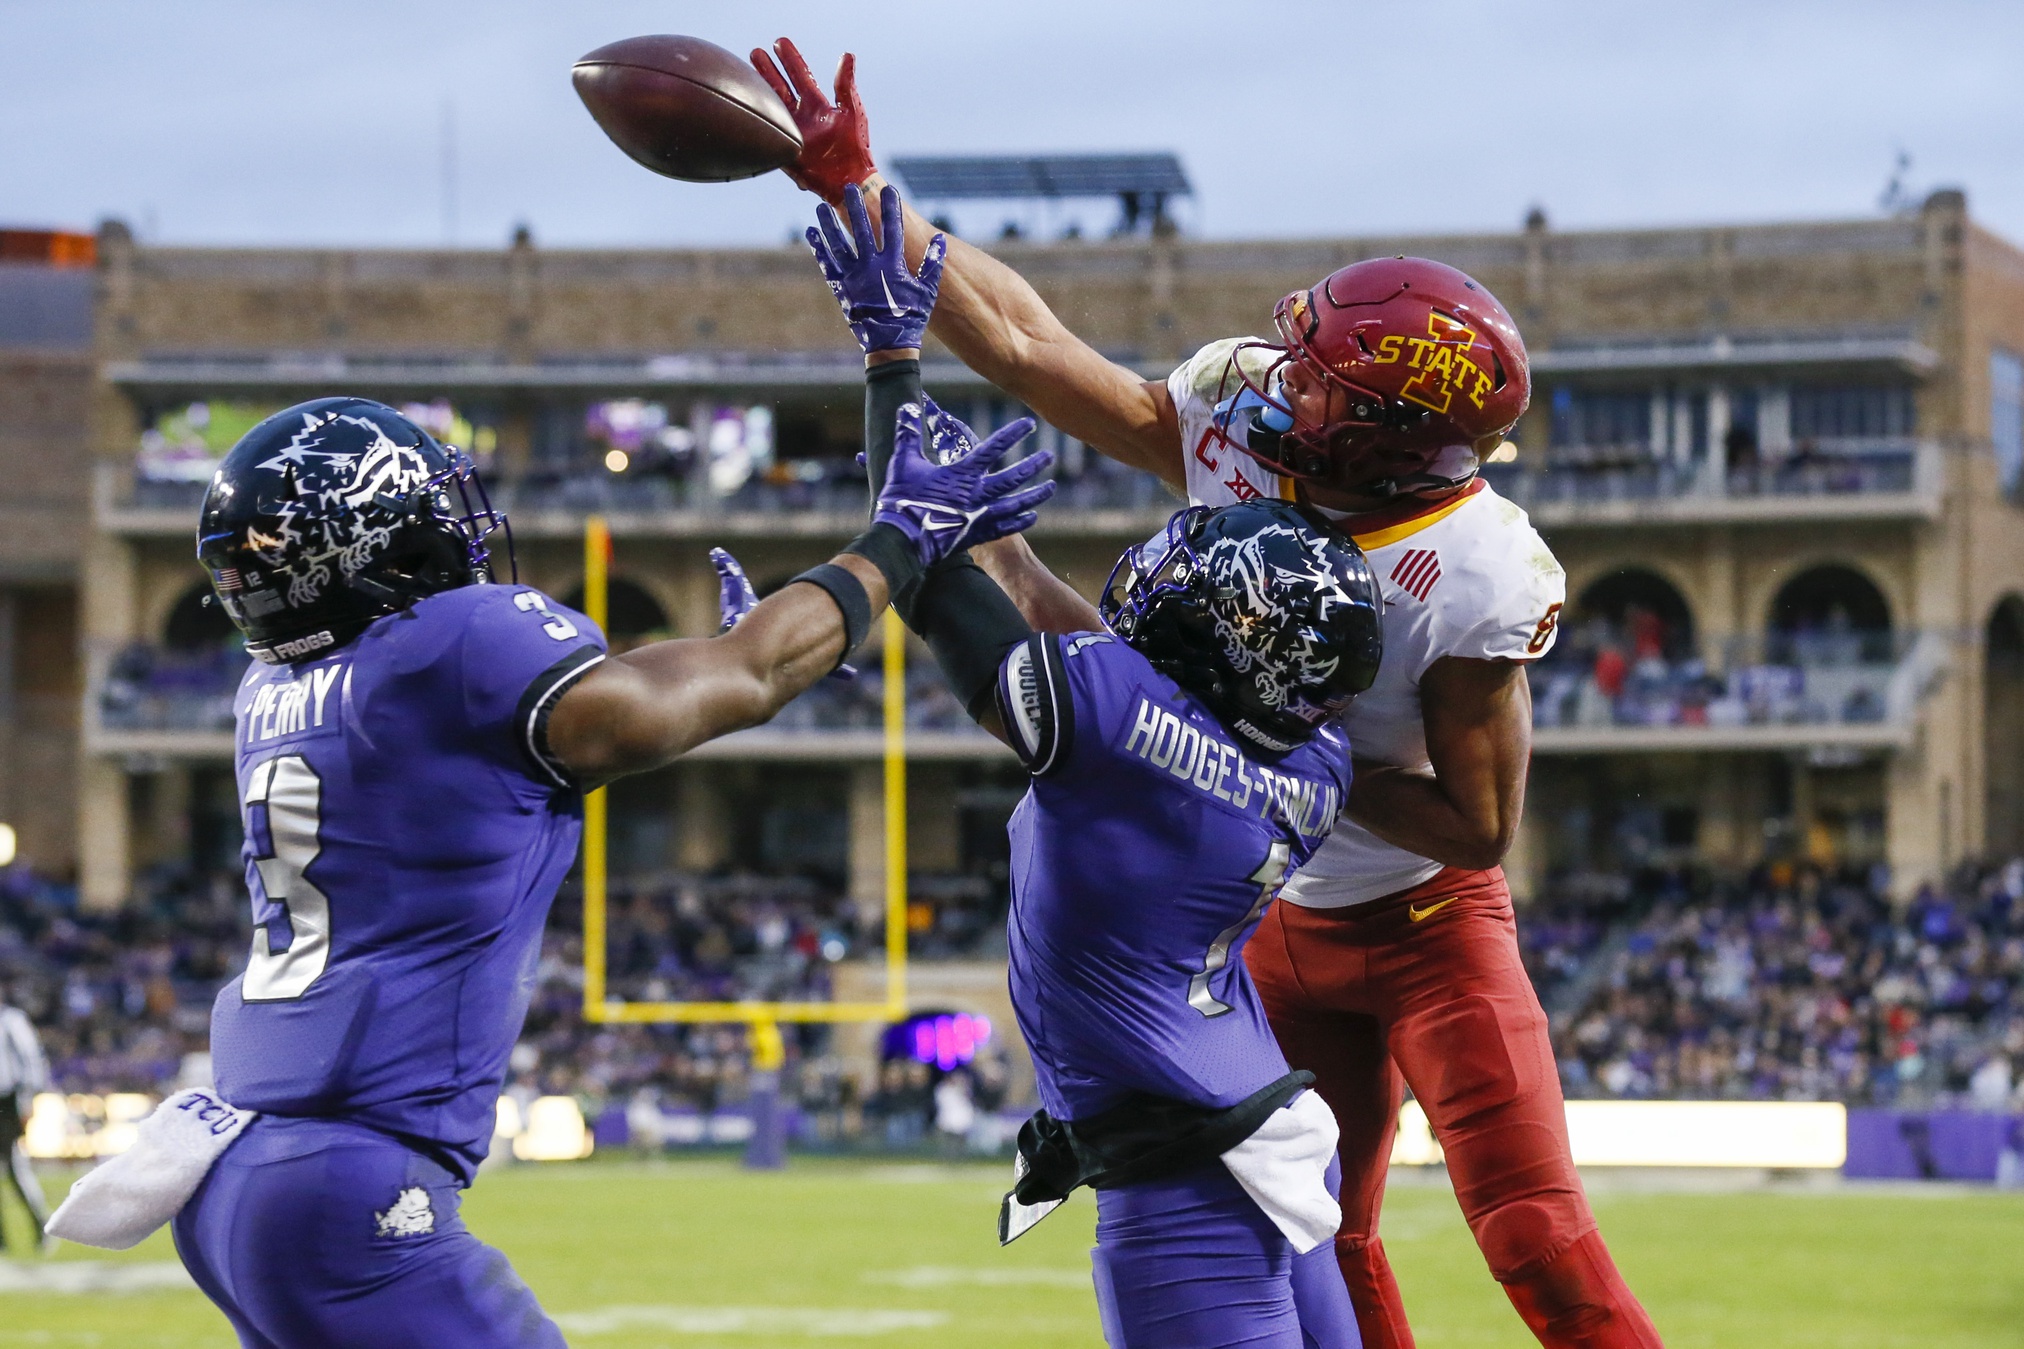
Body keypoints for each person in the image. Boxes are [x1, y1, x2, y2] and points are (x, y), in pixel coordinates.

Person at [751, 40, 1662, 1349]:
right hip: (1264, 914)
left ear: (1383, 438)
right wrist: (858, 190)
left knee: (1529, 1226)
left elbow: (1475, 829)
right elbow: (1024, 341)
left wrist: (1275, 748)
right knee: (1315, 1231)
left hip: (1421, 918)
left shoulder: (1474, 568)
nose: (1283, 382)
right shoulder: (1245, 410)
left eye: (1323, 383)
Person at [77, 394, 1048, 1347]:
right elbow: (734, 679)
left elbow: (609, 709)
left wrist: (729, 656)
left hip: (238, 1173)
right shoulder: (450, 645)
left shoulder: (274, 686)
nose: (452, 538)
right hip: (349, 1186)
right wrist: (895, 541)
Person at [741, 182, 1385, 1347]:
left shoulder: (1118, 723)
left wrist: (891, 355)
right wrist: (1007, 545)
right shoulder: (1314, 756)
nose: (1160, 583)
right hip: (1264, 1154)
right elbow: (1137, 686)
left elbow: (931, 583)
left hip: (1183, 1184)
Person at [0, 990, 52, 1252]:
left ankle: (41, 1226)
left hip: (8, 1101)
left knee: (14, 1168)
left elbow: (31, 1060)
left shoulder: (11, 1020)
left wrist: (27, 1100)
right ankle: (2, 1239)